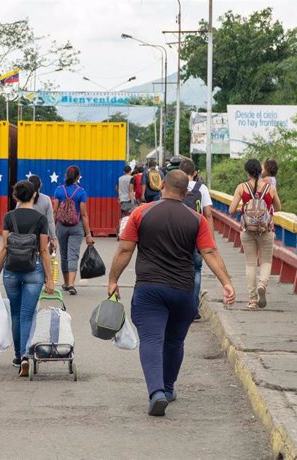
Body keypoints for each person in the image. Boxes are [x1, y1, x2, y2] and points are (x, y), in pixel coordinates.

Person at [108, 170, 235, 416]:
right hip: (183, 291)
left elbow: (125, 249)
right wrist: (226, 282)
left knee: (152, 340)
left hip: (149, 290)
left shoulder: (141, 212)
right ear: (186, 192)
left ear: (162, 185)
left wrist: (113, 280)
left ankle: (156, 392)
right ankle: (167, 388)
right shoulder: (196, 219)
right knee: (174, 341)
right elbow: (210, 252)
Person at [0, 180, 54, 377]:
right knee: (27, 314)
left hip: (10, 270)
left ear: (15, 197)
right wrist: (50, 279)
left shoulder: (9, 217)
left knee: (15, 315)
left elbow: (4, 248)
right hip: (33, 270)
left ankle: (18, 356)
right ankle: (26, 355)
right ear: (34, 195)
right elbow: (43, 251)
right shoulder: (41, 219)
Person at [228, 158, 281, 310]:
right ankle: (262, 284)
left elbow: (231, 210)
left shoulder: (242, 187)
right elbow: (278, 207)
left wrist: (244, 209)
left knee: (250, 263)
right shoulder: (270, 188)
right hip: (266, 229)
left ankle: (252, 301)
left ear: (247, 171)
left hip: (247, 230)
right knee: (266, 261)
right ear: (260, 170)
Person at [179, 159, 214, 320]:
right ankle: (193, 308)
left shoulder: (176, 186)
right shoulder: (202, 188)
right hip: (197, 234)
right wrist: (210, 239)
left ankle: (179, 306)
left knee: (178, 268)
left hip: (177, 234)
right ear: (195, 173)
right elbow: (208, 214)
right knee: (197, 269)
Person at [52, 165, 94, 295]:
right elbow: (83, 214)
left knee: (64, 255)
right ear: (77, 177)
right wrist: (88, 234)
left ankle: (66, 283)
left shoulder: (59, 190)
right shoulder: (81, 192)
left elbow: (54, 211)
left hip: (61, 227)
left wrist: (51, 232)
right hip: (76, 227)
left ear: (66, 176)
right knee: (73, 255)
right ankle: (71, 284)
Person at [28, 175, 56, 243]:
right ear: (40, 185)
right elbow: (50, 221)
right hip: (42, 235)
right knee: (43, 252)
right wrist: (53, 238)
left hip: (26, 234)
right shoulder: (46, 199)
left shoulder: (22, 199)